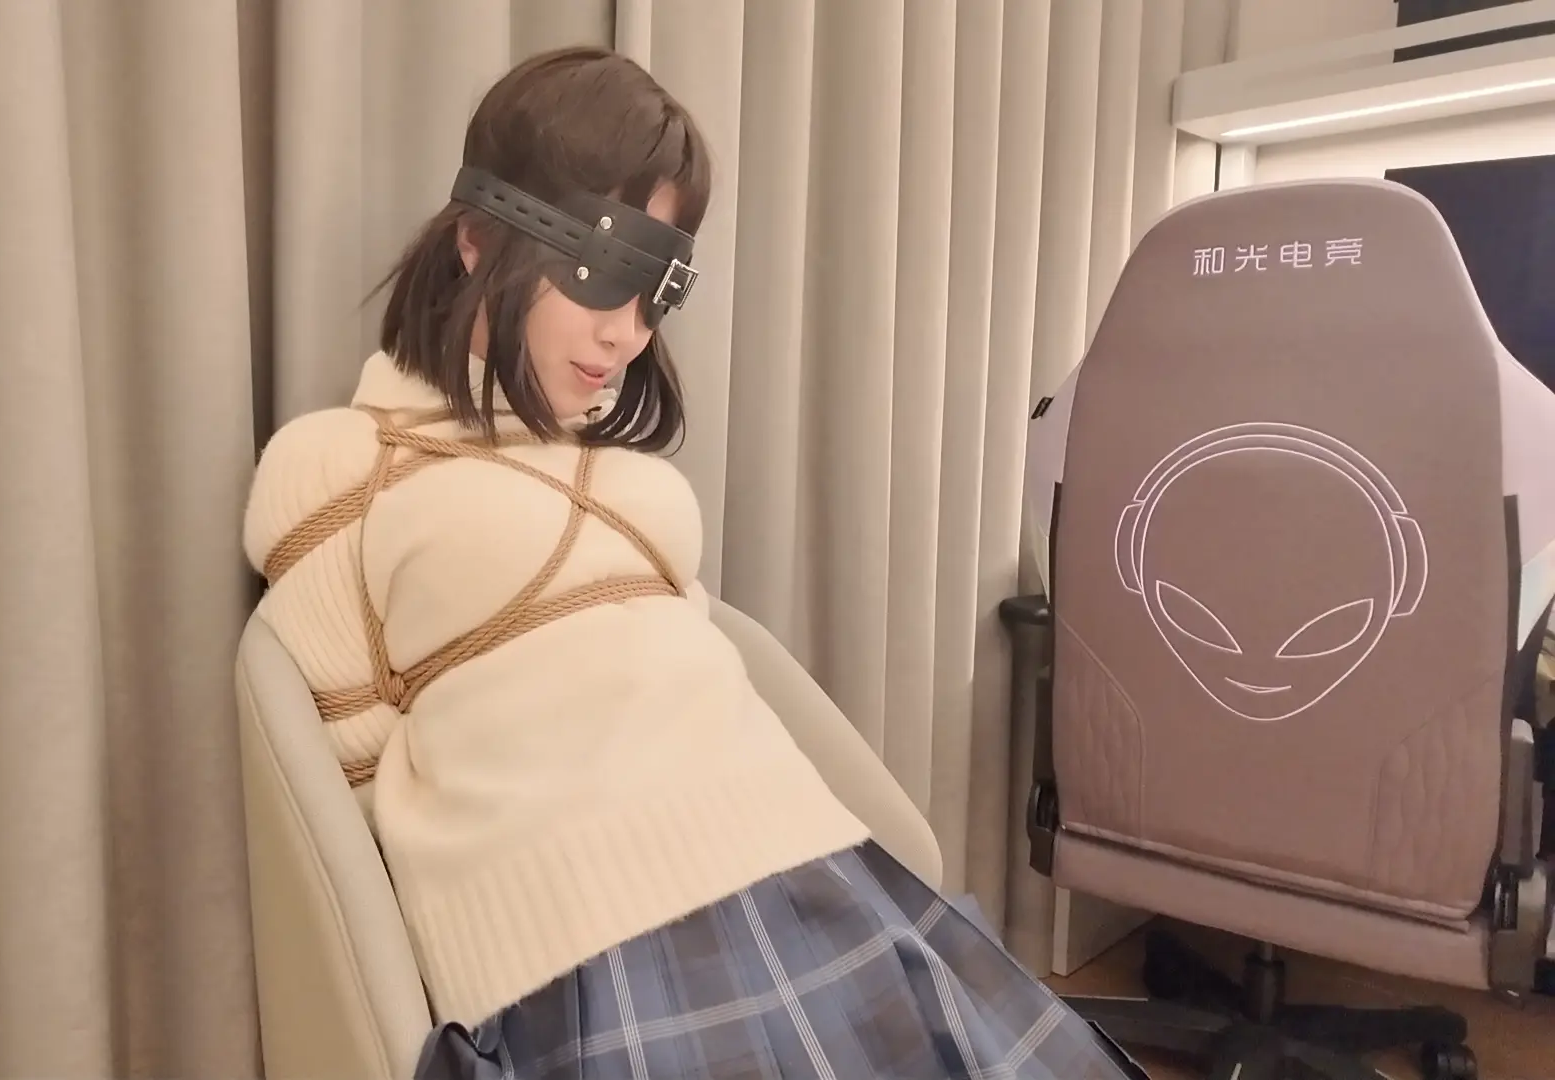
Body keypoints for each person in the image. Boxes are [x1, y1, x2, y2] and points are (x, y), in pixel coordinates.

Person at [243, 45, 1133, 1080]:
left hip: (800, 868)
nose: (627, 336)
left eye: (655, 293)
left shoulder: (628, 477)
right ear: (478, 239)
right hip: (585, 934)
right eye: (599, 277)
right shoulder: (345, 462)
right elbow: (352, 788)